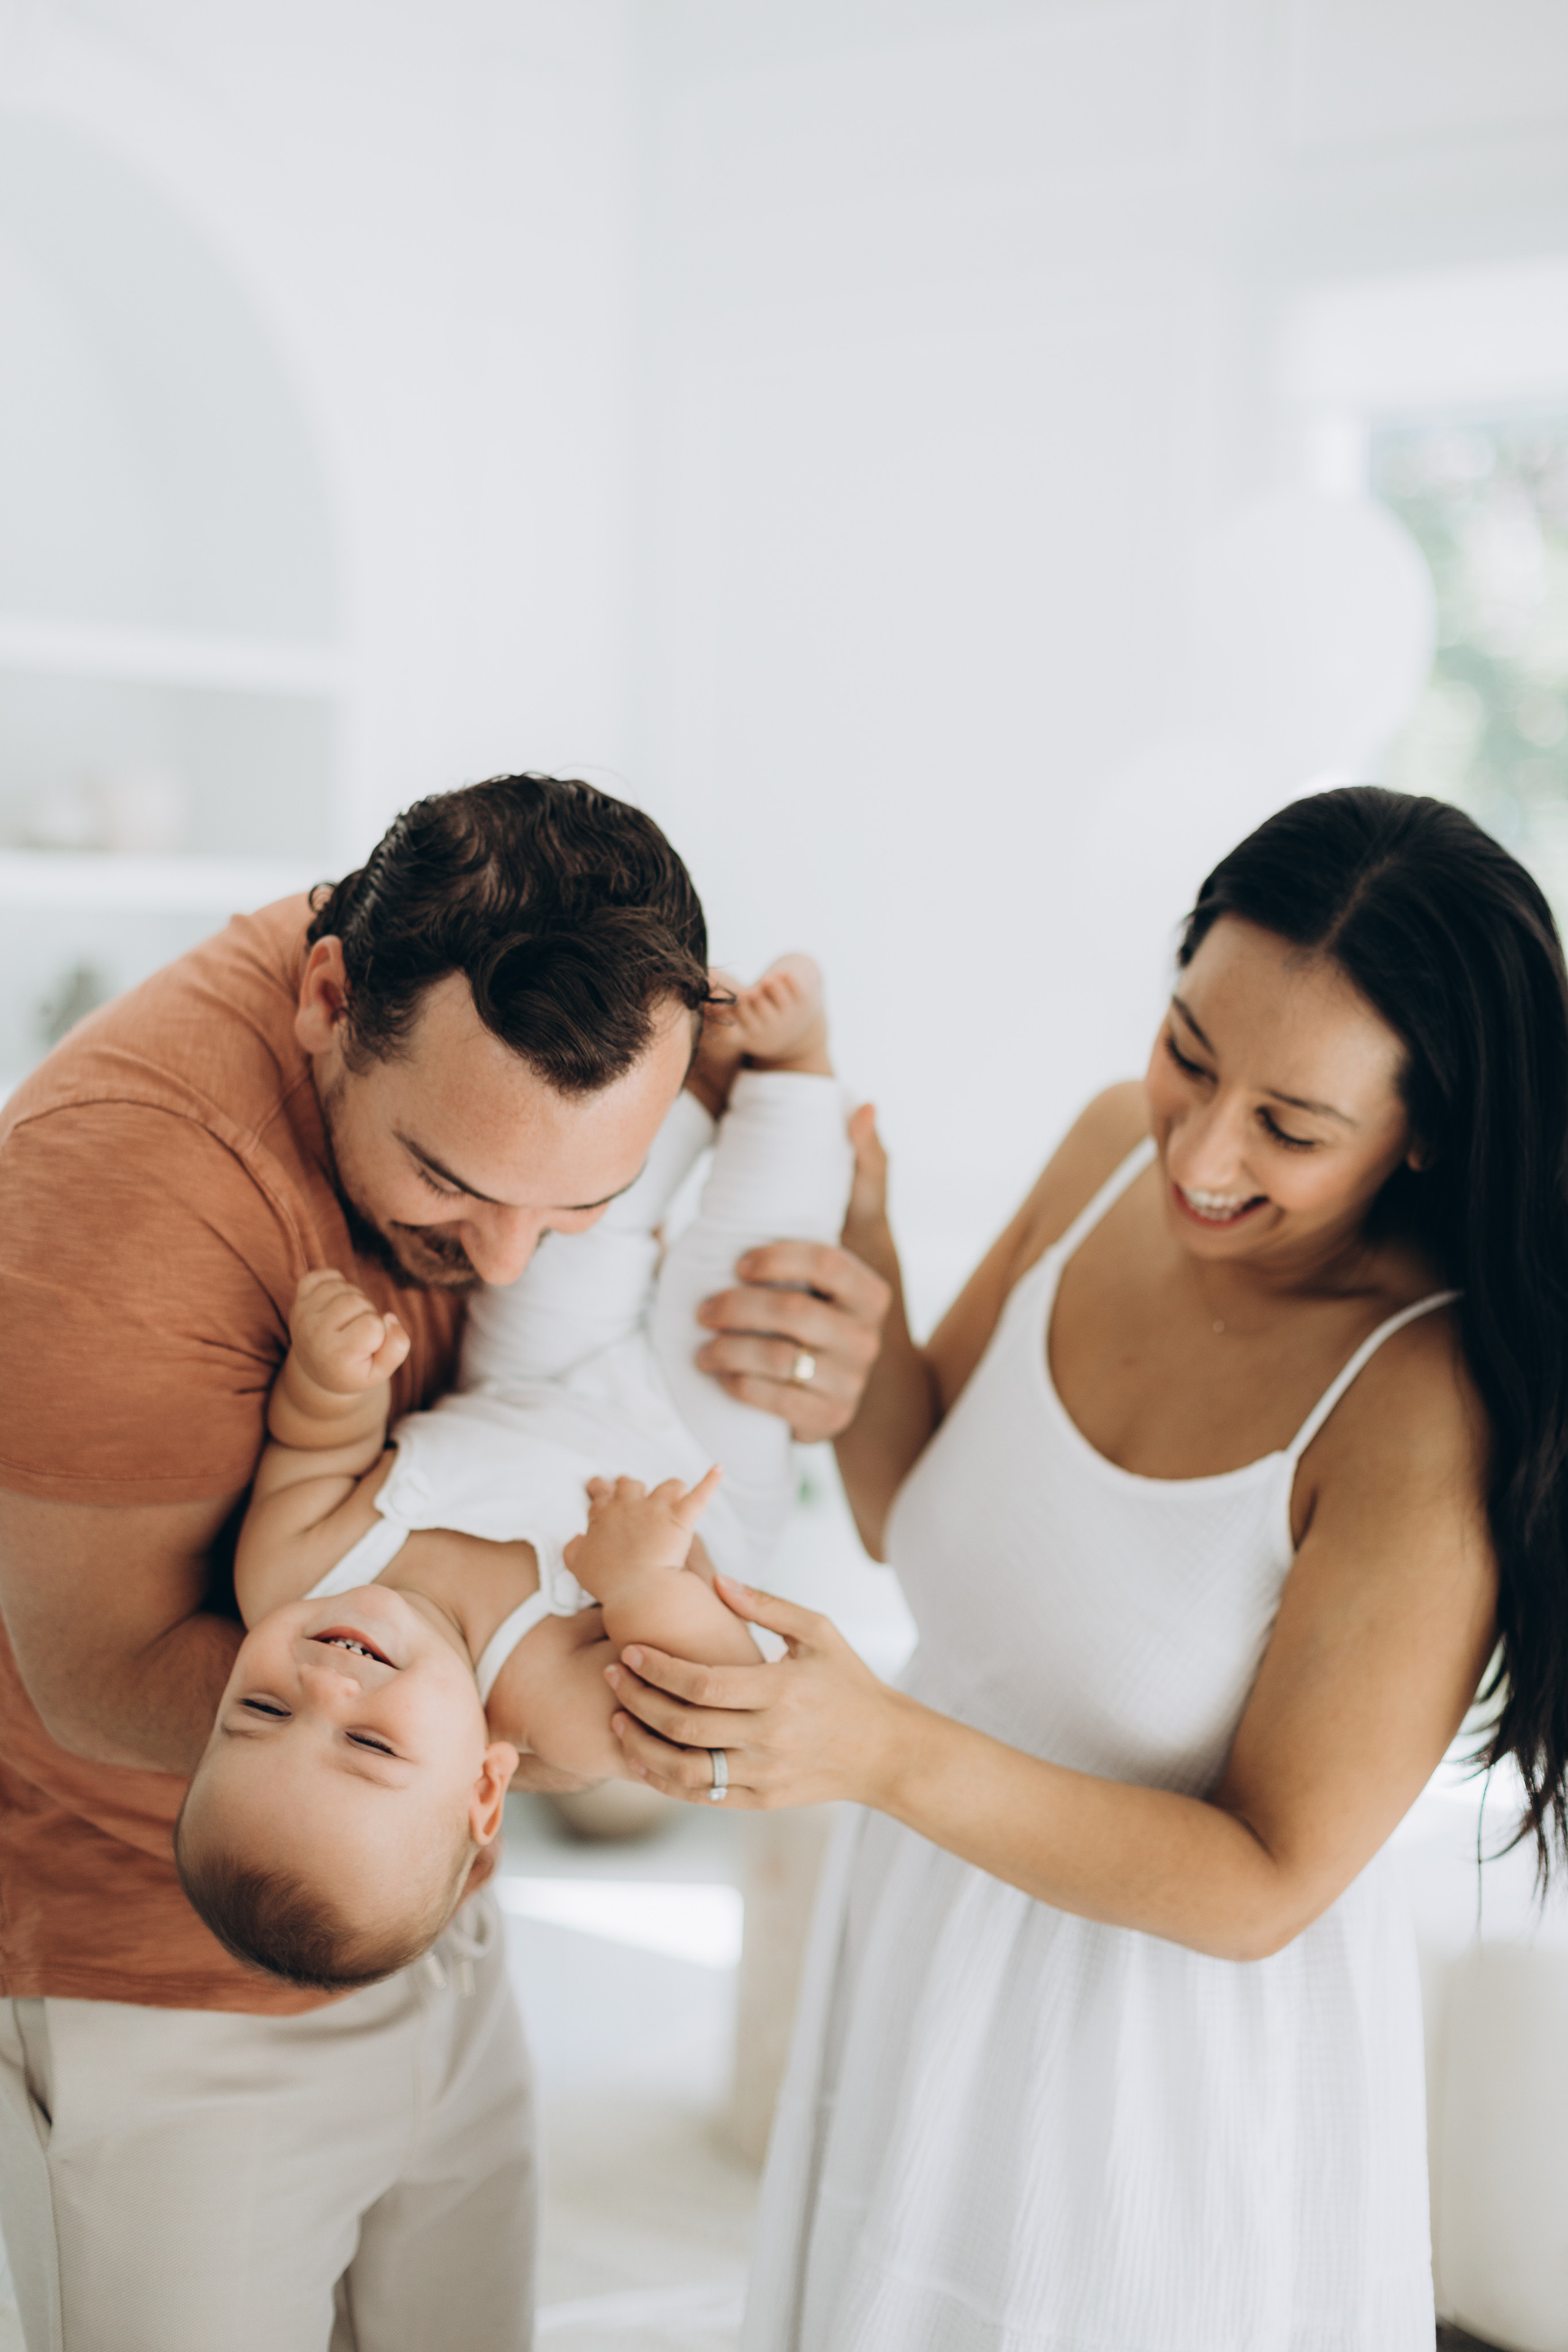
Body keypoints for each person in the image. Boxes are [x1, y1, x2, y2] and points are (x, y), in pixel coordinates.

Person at [606, 786, 1568, 2349]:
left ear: (1426, 1131)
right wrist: (860, 1246)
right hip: (921, 1940)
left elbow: (1265, 1884)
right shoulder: (1109, 1150)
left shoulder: (1417, 1406)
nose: (1200, 1148)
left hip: (1153, 2081)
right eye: (1188, 1049)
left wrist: (880, 1750)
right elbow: (906, 1506)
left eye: (1291, 1124)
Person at [0, 773, 880, 2352]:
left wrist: (816, 1335)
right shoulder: (123, 1188)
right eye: (456, 1189)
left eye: (580, 1207)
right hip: (166, 1978)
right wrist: (545, 1704)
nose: (503, 1263)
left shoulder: (499, 1007)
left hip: (442, 1913)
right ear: (329, 998)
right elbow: (102, 1675)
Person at [175, 959, 853, 1991]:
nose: (325, 1684)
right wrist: (641, 1586)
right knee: (753, 1264)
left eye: (262, 1712)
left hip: (527, 1382)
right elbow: (719, 1685)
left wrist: (330, 1378)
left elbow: (319, 1452)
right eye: (369, 1745)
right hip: (689, 1460)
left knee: (575, 1240)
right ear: (485, 1790)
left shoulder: (289, 1575)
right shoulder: (554, 1716)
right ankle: (796, 1073)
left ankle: (684, 1088)